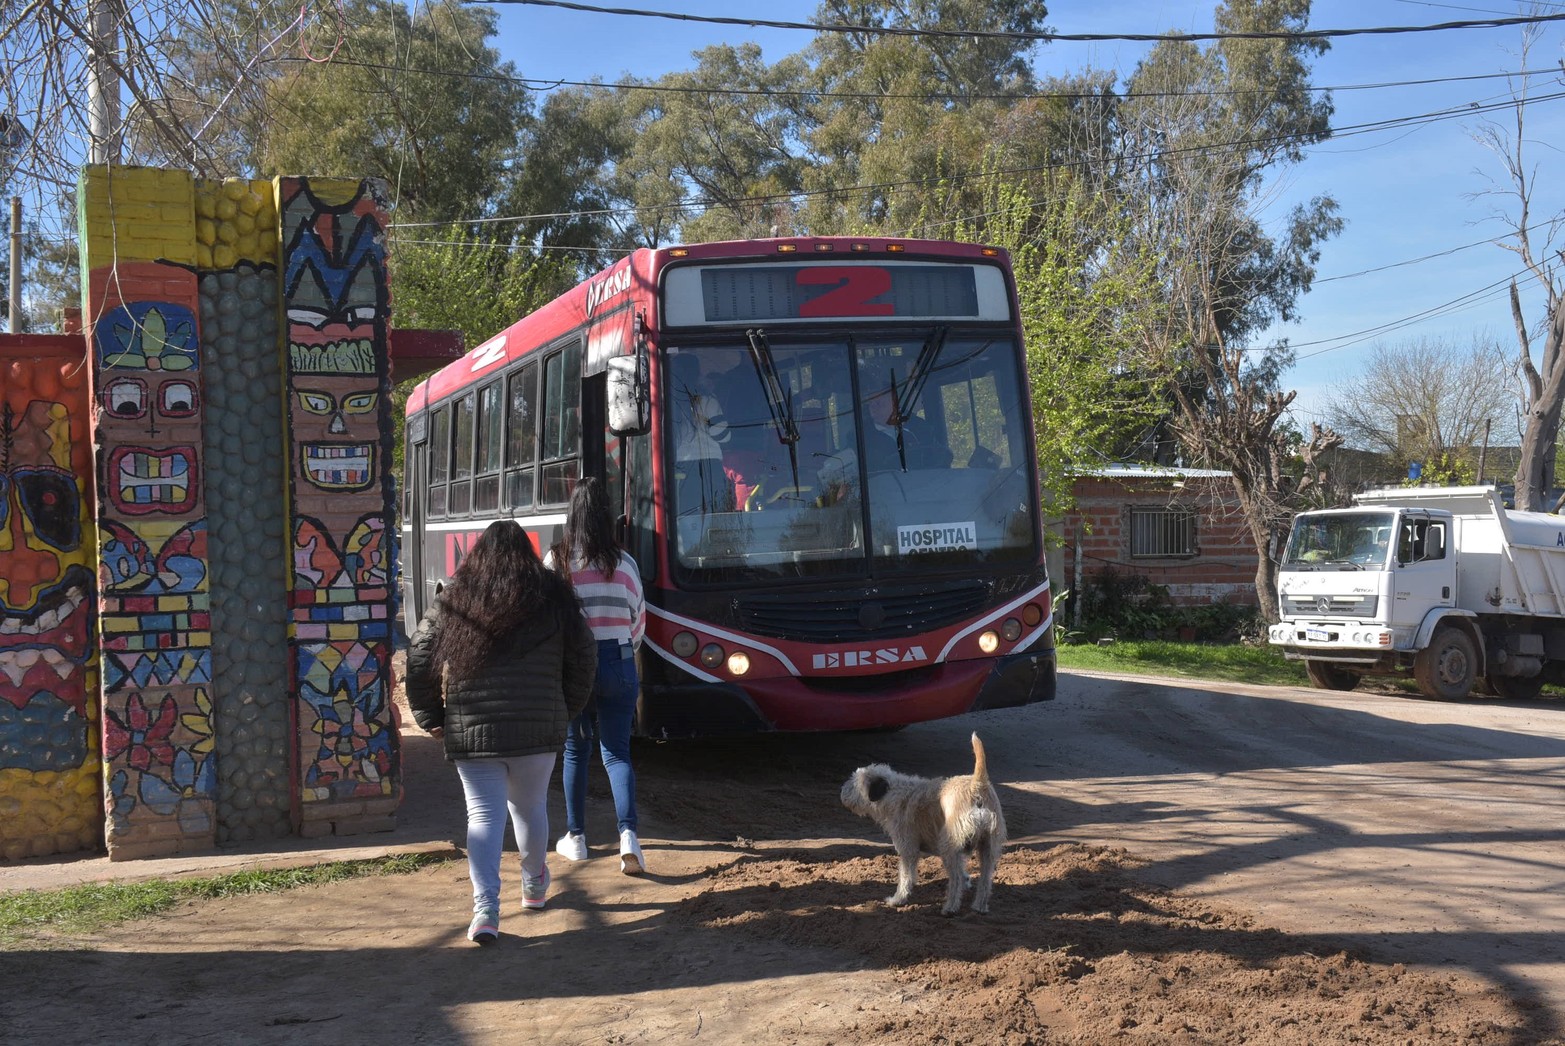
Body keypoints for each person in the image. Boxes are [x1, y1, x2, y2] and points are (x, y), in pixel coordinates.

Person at [404, 519, 596, 946]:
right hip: (537, 728)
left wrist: (430, 715)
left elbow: (418, 657)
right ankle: (533, 886)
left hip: (472, 730)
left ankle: (485, 910)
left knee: (483, 816)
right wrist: (565, 708)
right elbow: (584, 656)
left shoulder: (455, 597)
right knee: (530, 809)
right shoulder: (555, 597)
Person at [546, 478, 649, 874]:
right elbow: (638, 619)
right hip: (619, 661)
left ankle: (576, 838)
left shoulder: (557, 563)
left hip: (576, 667)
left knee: (576, 750)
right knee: (617, 753)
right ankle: (629, 837)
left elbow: (548, 620)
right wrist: (623, 650)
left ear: (572, 518)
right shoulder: (626, 564)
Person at [670, 352, 733, 512]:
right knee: (717, 515)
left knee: (688, 515)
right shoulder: (707, 400)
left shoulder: (668, 402)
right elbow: (724, 436)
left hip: (681, 465)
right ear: (697, 373)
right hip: (711, 466)